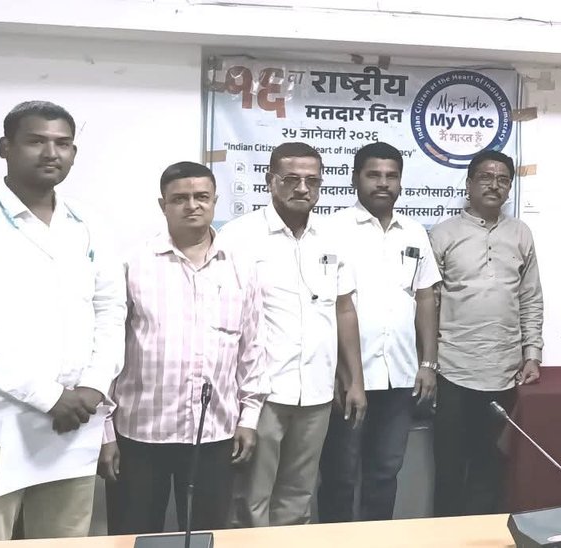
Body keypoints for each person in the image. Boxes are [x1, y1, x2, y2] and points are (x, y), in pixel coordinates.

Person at [0, 101, 124, 547]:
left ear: (73, 152)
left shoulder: (90, 225)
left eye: (63, 143)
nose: (51, 153)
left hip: (74, 425)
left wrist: (94, 386)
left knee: (65, 542)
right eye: (36, 141)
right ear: (5, 147)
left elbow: (111, 310)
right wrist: (51, 397)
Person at [100, 161, 268, 534]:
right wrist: (105, 431)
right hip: (140, 434)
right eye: (180, 198)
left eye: (201, 197)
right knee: (133, 534)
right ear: (163, 205)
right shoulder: (132, 264)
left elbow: (252, 348)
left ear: (215, 201)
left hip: (214, 434)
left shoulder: (240, 266)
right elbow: (107, 352)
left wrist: (249, 418)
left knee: (207, 535)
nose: (192, 205)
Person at [220, 142, 366, 527]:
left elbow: (344, 308)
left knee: (298, 496)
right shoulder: (238, 237)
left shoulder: (333, 236)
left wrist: (355, 380)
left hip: (317, 390)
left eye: (312, 181)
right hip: (261, 392)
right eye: (291, 179)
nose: (302, 188)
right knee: (251, 498)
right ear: (270, 181)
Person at [317, 143, 439, 523]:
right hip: (347, 378)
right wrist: (343, 374)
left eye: (391, 176)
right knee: (339, 476)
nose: (383, 183)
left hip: (400, 376)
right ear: (355, 179)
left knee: (385, 475)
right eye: (374, 175)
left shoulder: (414, 232)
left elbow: (425, 297)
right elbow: (329, 304)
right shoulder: (330, 230)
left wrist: (428, 363)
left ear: (400, 182)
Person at [428, 149, 543, 516]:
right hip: (452, 370)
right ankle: (444, 537)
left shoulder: (521, 233)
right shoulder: (443, 234)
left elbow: (530, 297)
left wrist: (532, 354)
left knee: (490, 468)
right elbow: (428, 303)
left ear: (509, 188)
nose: (494, 185)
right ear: (469, 184)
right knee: (449, 469)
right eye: (486, 177)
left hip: (504, 371)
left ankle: (483, 537)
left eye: (502, 179)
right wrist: (427, 362)